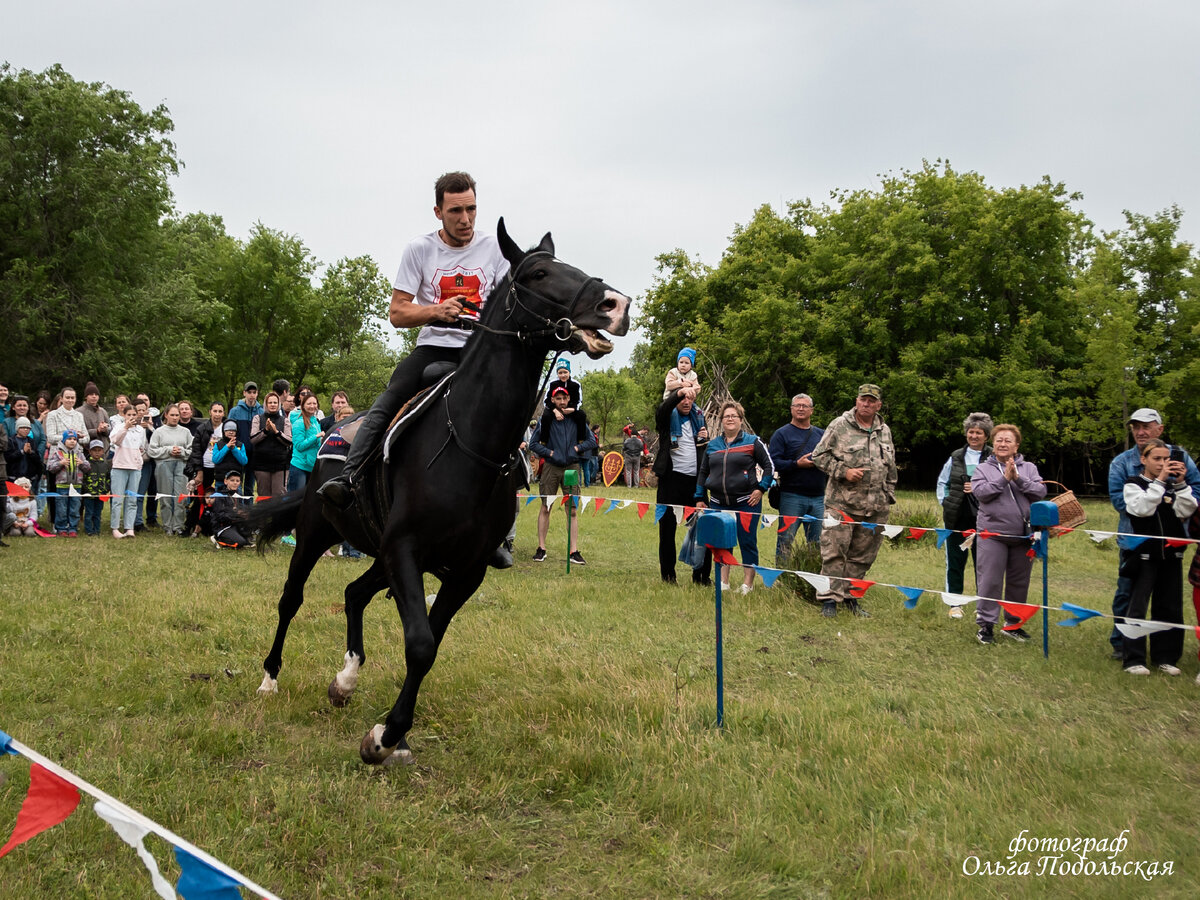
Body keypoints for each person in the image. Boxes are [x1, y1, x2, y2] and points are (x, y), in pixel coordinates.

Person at [318, 171, 510, 511]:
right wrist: (437, 311)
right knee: (391, 398)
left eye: (471, 209)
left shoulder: (494, 248)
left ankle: (500, 511)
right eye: (455, 211)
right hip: (433, 345)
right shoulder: (420, 250)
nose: (465, 219)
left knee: (511, 406)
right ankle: (348, 478)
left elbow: (509, 303)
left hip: (480, 351)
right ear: (438, 212)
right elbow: (397, 313)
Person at [1106, 408, 1200, 660]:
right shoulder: (1122, 463)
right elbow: (1120, 502)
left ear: (1160, 428)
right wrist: (1157, 491)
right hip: (1135, 540)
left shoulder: (1181, 457)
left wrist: (1181, 508)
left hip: (1171, 541)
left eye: (1146, 426)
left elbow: (1195, 489)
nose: (1140, 431)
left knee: (1168, 599)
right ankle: (1122, 646)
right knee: (1128, 594)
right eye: (1136, 427)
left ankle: (1165, 654)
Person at [811, 383, 898, 617]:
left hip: (875, 507)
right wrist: (843, 471)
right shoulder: (840, 426)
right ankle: (829, 600)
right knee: (834, 554)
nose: (867, 404)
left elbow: (890, 467)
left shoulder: (884, 430)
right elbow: (818, 456)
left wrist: (889, 494)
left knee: (862, 557)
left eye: (872, 401)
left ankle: (851, 597)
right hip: (842, 504)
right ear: (857, 401)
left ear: (879, 405)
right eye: (863, 399)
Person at [1119, 439, 1197, 675]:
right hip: (1143, 557)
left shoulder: (1174, 487)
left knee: (1170, 607)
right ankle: (1133, 659)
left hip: (1172, 556)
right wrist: (1159, 482)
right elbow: (1142, 509)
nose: (1163, 463)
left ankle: (1166, 657)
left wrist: (1181, 483)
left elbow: (1187, 511)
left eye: (1166, 459)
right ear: (1143, 459)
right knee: (1137, 607)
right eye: (1157, 459)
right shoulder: (1133, 484)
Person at [970, 424, 1046, 645]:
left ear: (1017, 446)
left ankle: (1012, 625)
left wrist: (1018, 478)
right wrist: (1004, 478)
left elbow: (1040, 491)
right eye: (999, 440)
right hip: (992, 534)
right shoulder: (983, 469)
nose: (1002, 444)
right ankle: (986, 626)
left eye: (1008, 440)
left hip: (1024, 536)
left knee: (1019, 582)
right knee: (990, 581)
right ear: (993, 445)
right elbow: (981, 494)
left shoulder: (1029, 467)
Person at [695, 401, 775, 594]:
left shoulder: (753, 442)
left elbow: (769, 467)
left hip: (746, 502)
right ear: (721, 421)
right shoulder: (713, 445)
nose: (730, 419)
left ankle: (748, 584)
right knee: (721, 542)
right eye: (726, 416)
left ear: (741, 419)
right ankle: (723, 582)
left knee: (747, 541)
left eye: (734, 416)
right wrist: (699, 496)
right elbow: (703, 471)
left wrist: (761, 489)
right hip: (717, 502)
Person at [935, 412, 994, 616]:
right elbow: (943, 482)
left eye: (979, 432)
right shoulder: (956, 456)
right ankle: (955, 605)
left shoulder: (994, 457)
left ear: (986, 435)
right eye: (971, 432)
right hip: (957, 517)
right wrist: (946, 502)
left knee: (984, 564)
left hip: (985, 519)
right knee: (955, 561)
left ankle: (983, 606)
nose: (974, 436)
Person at [529, 386, 596, 564]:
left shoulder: (576, 419)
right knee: (546, 507)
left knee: (572, 510)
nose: (561, 401)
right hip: (551, 467)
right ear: (553, 400)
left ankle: (573, 551)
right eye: (558, 398)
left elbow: (591, 441)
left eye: (564, 398)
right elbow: (533, 444)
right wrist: (550, 453)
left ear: (568, 399)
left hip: (572, 467)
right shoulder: (546, 420)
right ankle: (541, 548)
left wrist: (577, 448)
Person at [654, 386, 712, 585]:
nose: (686, 402)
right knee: (667, 531)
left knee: (703, 528)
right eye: (682, 399)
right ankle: (668, 576)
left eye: (690, 399)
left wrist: (704, 439)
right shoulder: (666, 419)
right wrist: (679, 391)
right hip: (670, 480)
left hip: (696, 482)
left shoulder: (699, 417)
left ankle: (702, 576)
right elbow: (663, 408)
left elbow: (704, 450)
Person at [768, 393, 827, 563]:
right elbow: (773, 463)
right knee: (786, 540)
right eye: (797, 406)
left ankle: (813, 579)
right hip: (791, 496)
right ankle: (782, 578)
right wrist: (796, 464)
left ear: (812, 410)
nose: (801, 409)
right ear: (791, 409)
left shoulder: (821, 435)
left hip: (818, 497)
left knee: (817, 543)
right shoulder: (781, 434)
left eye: (805, 406)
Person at [148, 404, 194, 535]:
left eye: (177, 415)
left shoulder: (185, 432)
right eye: (172, 415)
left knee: (180, 497)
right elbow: (152, 450)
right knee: (166, 497)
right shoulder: (159, 432)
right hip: (164, 465)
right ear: (166, 415)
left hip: (181, 465)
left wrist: (181, 451)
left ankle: (178, 526)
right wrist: (168, 450)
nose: (175, 418)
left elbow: (192, 450)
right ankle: (167, 526)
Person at [108, 406, 145, 538]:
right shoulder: (118, 427)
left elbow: (142, 447)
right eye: (129, 414)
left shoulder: (141, 430)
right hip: (120, 466)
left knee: (132, 499)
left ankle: (129, 527)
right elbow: (115, 441)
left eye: (134, 414)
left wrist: (138, 457)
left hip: (135, 467)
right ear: (124, 415)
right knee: (117, 499)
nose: (132, 417)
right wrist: (125, 428)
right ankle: (115, 528)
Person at [46, 429, 91, 536]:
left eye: (74, 439)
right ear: (64, 440)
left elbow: (88, 468)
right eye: (69, 439)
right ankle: (61, 528)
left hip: (76, 486)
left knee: (75, 508)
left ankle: (73, 528)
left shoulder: (79, 453)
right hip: (62, 485)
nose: (72, 441)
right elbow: (50, 467)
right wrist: (60, 463)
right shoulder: (58, 453)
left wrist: (82, 463)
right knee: (61, 508)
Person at [251, 390, 292, 498]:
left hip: (280, 464)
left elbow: (288, 441)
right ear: (266, 404)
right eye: (270, 402)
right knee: (263, 496)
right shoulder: (257, 418)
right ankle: (264, 515)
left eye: (275, 402)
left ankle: (278, 515)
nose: (273, 405)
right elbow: (253, 439)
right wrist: (265, 430)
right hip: (261, 464)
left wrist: (276, 432)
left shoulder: (285, 421)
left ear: (278, 404)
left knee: (279, 496)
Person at [226, 382, 264, 497]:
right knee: (236, 482)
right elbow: (228, 431)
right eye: (249, 392)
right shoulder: (235, 411)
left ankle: (248, 510)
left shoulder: (261, 411)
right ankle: (236, 509)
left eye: (254, 392)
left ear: (257, 394)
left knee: (250, 485)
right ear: (244, 393)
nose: (251, 395)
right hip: (238, 451)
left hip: (254, 452)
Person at [209, 470, 252, 549]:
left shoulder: (238, 495)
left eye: (237, 481)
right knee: (240, 543)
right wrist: (236, 514)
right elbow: (220, 516)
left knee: (246, 540)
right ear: (226, 481)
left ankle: (241, 538)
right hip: (222, 527)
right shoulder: (220, 496)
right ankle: (218, 539)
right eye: (232, 480)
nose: (235, 483)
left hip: (234, 525)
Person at [81, 439, 111, 536]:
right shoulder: (86, 463)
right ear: (90, 451)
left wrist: (107, 488)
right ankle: (89, 530)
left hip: (101, 493)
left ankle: (97, 529)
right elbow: (83, 478)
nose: (97, 452)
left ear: (103, 451)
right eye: (94, 450)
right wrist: (85, 489)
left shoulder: (105, 464)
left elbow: (108, 477)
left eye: (99, 450)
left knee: (98, 513)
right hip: (89, 493)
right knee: (89, 512)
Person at [212, 420, 248, 491]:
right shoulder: (218, 444)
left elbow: (244, 461)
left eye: (233, 430)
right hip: (221, 480)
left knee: (237, 501)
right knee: (220, 501)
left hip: (236, 481)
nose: (231, 432)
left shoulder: (240, 445)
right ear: (224, 431)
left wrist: (234, 449)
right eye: (228, 430)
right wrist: (227, 447)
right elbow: (215, 459)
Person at [80, 382, 109, 453]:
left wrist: (105, 429)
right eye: (91, 394)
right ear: (86, 396)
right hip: (87, 450)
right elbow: (79, 432)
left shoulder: (103, 411)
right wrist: (96, 431)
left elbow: (110, 429)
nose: (94, 396)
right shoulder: (79, 412)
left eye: (96, 394)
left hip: (104, 450)